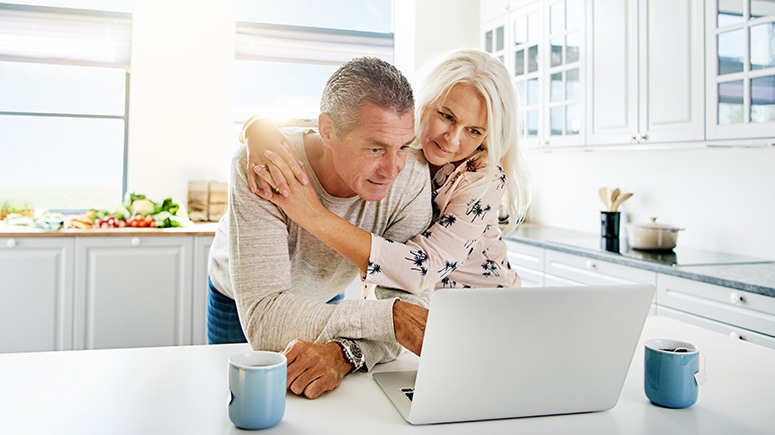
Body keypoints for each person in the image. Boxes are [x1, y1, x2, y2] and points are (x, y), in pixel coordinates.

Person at [207, 57, 434, 400]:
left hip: (328, 295)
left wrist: (346, 352)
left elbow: (411, 317)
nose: (393, 169)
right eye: (375, 148)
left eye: (403, 146)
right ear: (327, 131)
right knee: (236, 404)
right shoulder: (265, 164)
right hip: (240, 299)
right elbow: (265, 320)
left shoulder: (413, 180)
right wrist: (391, 318)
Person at [245, 48, 531, 294]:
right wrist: (259, 126)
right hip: (424, 309)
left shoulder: (483, 178)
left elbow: (423, 268)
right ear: (424, 102)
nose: (452, 139)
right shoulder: (404, 139)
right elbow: (345, 124)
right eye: (446, 116)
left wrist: (313, 215)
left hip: (487, 304)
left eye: (474, 130)